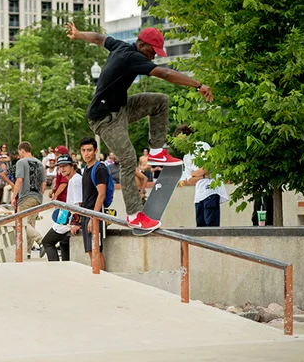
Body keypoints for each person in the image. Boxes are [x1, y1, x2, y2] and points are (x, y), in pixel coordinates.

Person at [67, 22, 213, 232]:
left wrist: (79, 34)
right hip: (104, 120)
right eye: (153, 52)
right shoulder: (132, 57)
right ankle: (135, 215)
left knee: (159, 101)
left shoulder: (119, 45)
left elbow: (99, 38)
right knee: (127, 159)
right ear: (143, 45)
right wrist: (198, 85)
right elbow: (165, 74)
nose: (154, 57)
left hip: (121, 109)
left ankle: (156, 152)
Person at [175, 126, 229, 227]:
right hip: (199, 195)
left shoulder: (202, 146)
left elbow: (208, 167)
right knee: (200, 226)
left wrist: (195, 173)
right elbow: (189, 180)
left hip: (211, 190)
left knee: (211, 225)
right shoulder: (186, 157)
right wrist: (202, 176)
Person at [41, 154, 83, 261]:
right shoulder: (74, 179)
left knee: (47, 242)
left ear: (72, 166)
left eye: (65, 166)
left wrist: (76, 223)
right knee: (64, 242)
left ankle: (55, 268)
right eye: (59, 167)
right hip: (66, 218)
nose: (62, 169)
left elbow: (79, 204)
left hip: (70, 221)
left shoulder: (75, 181)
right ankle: (65, 267)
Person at [12, 141, 46, 254]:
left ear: (22, 150)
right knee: (30, 224)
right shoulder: (40, 163)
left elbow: (19, 180)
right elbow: (44, 184)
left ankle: (41, 241)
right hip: (37, 197)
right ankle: (27, 251)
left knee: (21, 222)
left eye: (19, 152)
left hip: (26, 197)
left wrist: (13, 197)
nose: (19, 155)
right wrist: (39, 195)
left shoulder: (21, 162)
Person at [79, 137, 108, 268]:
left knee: (97, 250)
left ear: (95, 151)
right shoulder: (86, 168)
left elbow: (101, 194)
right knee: (91, 250)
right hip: (86, 214)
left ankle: (102, 281)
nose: (86, 153)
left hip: (95, 214)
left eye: (89, 150)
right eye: (83, 150)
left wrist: (93, 218)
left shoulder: (99, 169)